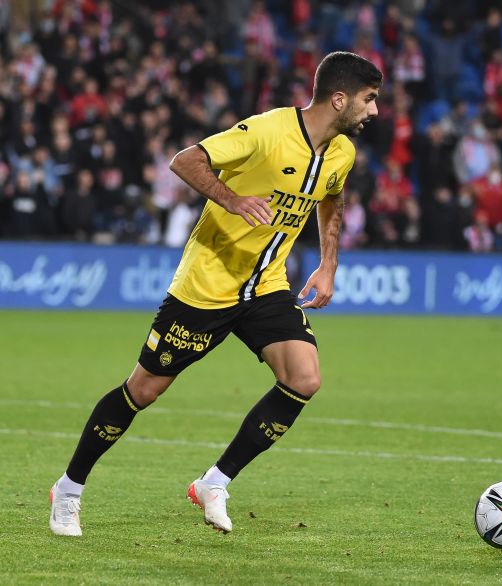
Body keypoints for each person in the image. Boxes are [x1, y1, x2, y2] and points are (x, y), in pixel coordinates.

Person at [49, 51, 382, 537]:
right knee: (144, 390)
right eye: (368, 99)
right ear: (338, 99)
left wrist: (328, 264)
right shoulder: (268, 131)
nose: (374, 110)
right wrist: (232, 199)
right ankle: (68, 489)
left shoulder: (341, 153)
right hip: (207, 285)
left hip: (266, 284)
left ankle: (214, 482)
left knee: (304, 378)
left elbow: (332, 196)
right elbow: (186, 160)